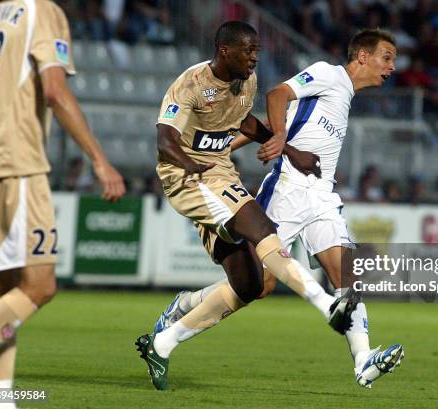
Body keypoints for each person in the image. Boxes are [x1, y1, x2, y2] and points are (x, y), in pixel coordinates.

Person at [154, 28, 405, 389]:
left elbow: (246, 123)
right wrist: (282, 144)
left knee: (345, 274)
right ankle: (185, 307)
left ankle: (363, 359)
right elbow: (279, 94)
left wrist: (249, 144)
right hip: (288, 188)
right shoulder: (328, 74)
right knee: (257, 285)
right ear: (362, 56)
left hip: (322, 194)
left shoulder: (343, 95)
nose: (392, 67)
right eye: (387, 57)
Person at [0, 1, 125, 409]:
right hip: (19, 165)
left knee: (4, 289)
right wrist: (100, 159)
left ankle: (0, 400)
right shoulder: (41, 10)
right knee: (40, 287)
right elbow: (56, 91)